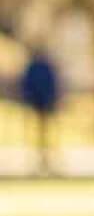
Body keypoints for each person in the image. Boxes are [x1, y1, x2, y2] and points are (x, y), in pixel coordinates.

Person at [19, 46, 62, 175]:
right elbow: (27, 85)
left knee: (49, 134)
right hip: (37, 104)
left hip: (45, 104)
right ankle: (38, 161)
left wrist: (51, 100)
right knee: (36, 134)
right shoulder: (34, 66)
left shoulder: (44, 66)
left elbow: (52, 84)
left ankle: (50, 161)